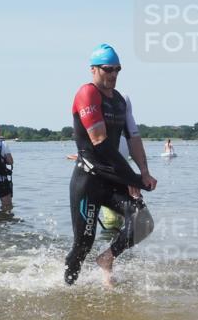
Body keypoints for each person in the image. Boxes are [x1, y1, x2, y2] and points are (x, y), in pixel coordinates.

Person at [65, 43, 156, 286]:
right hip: (88, 180)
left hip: (111, 179)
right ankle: (67, 287)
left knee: (143, 221)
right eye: (108, 69)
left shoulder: (119, 101)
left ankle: (107, 257)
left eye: (117, 69)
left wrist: (144, 172)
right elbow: (100, 142)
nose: (113, 75)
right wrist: (131, 179)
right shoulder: (87, 94)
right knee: (83, 244)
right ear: (93, 69)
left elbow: (133, 138)